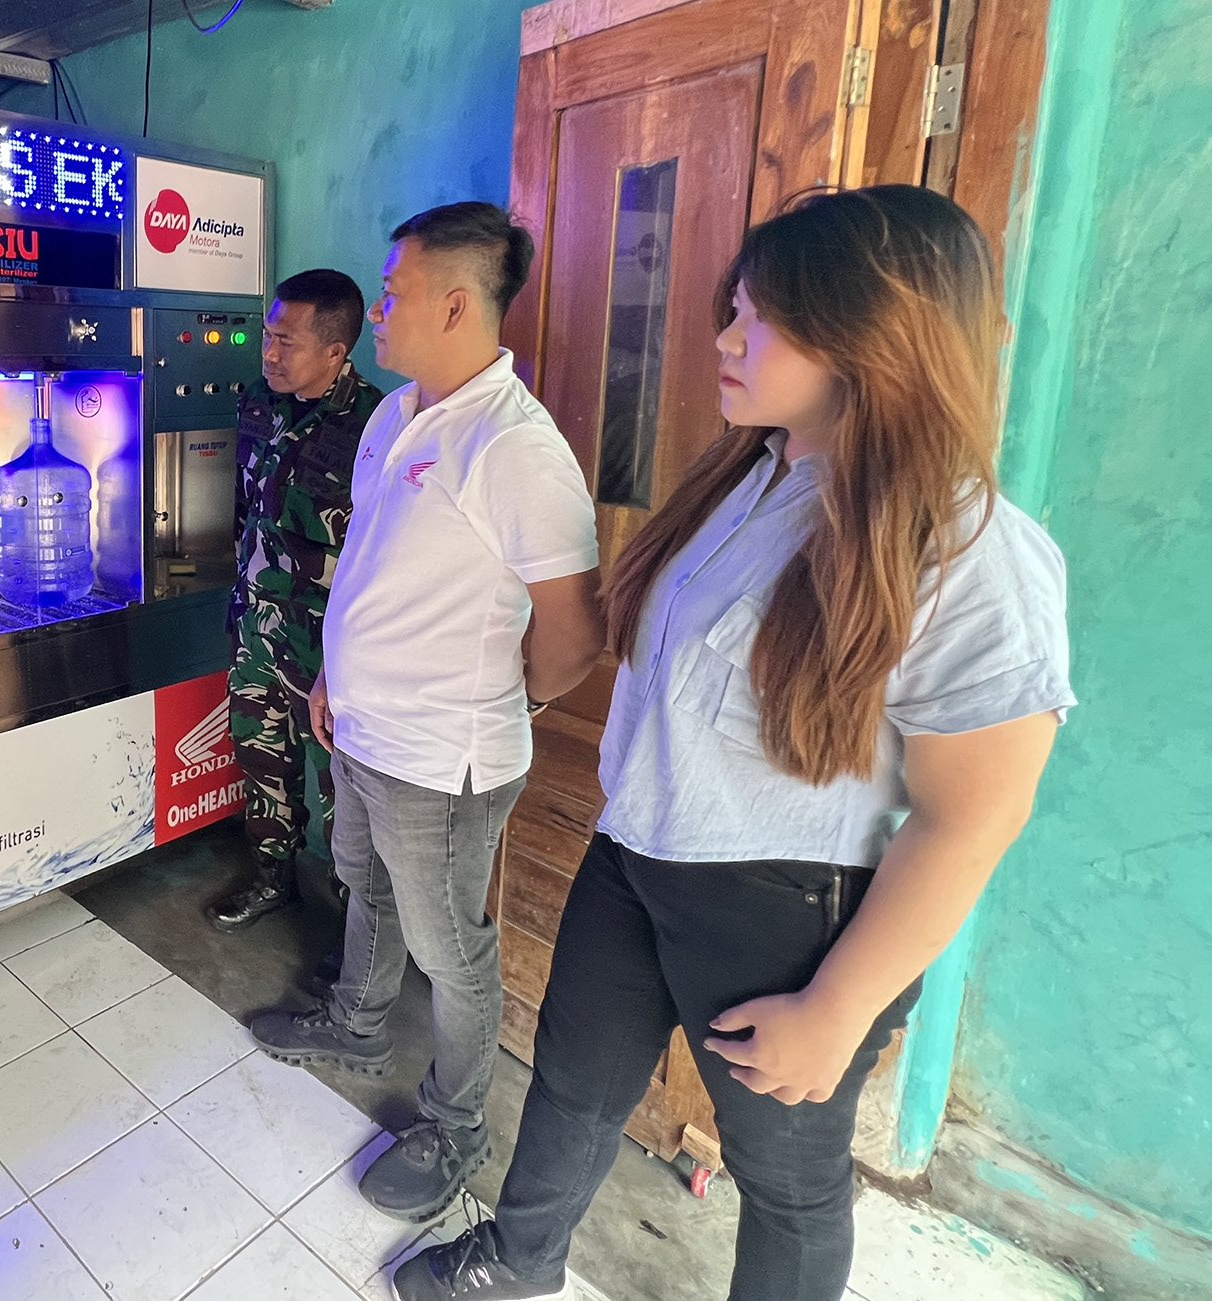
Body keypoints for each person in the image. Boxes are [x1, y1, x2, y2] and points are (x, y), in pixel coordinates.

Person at [389, 186, 1076, 1301]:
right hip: (635, 851)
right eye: (732, 311)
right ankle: (517, 1260)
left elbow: (973, 815)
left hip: (782, 907)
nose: (723, 339)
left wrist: (838, 1006)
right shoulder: (751, 476)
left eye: (758, 318)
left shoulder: (969, 549)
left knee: (786, 1180)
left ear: (867, 333)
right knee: (572, 1084)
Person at [250, 203, 605, 1225]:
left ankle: (456, 1124)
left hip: (442, 756)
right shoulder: (395, 414)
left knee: (453, 949)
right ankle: (358, 1020)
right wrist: (334, 675)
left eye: (392, 291)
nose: (378, 310)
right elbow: (369, 561)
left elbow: (575, 632)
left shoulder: (513, 445)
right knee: (363, 881)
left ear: (455, 304)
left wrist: (515, 700)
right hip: (363, 728)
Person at [206, 269, 383, 953]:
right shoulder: (260, 401)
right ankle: (270, 877)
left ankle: (353, 931)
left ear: (336, 351)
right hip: (258, 627)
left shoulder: (378, 426)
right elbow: (246, 507)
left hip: (329, 648)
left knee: (343, 791)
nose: (269, 352)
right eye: (267, 336)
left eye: (287, 341)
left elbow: (383, 552)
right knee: (261, 758)